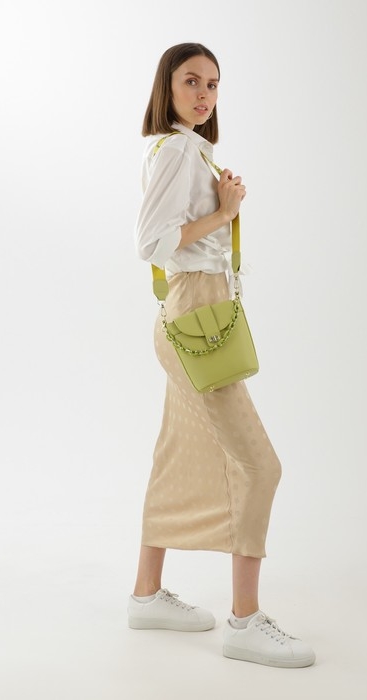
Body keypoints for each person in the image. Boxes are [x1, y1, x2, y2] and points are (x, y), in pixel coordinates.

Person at [129, 42, 315, 669]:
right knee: (260, 466)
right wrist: (226, 212)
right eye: (191, 81)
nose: (204, 94)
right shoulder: (178, 149)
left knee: (177, 452)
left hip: (191, 313)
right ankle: (244, 622)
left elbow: (180, 236)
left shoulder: (184, 148)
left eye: (212, 83)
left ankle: (146, 595)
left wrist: (222, 205)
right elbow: (152, 242)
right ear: (167, 87)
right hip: (196, 320)